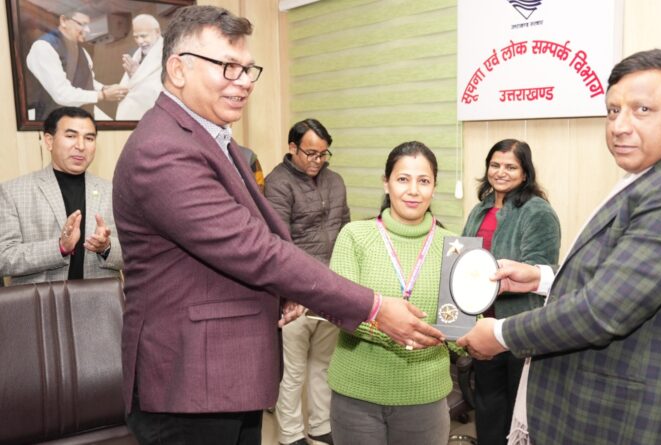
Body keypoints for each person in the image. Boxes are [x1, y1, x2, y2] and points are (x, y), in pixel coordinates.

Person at [112, 6, 443, 445]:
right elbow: (253, 249)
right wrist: (374, 307)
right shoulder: (164, 148)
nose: (244, 81)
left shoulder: (210, 137)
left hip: (220, 375)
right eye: (228, 67)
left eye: (248, 69)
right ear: (177, 69)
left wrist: (285, 290)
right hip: (188, 382)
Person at [457, 48, 661, 445]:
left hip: (642, 420)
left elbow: (603, 310)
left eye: (642, 110)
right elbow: (618, 276)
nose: (620, 126)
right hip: (604, 412)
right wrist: (540, 279)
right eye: (613, 111)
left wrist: (501, 333)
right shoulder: (653, 174)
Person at [327, 141, 456, 445]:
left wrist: (479, 326)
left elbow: (459, 326)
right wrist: (395, 329)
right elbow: (339, 309)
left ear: (434, 187)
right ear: (386, 183)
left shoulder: (454, 246)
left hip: (425, 395)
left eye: (423, 181)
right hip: (357, 395)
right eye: (402, 179)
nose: (413, 190)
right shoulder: (355, 236)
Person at [461, 139, 560, 444]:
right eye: (495, 165)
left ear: (525, 172)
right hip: (482, 324)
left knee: (518, 411)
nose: (500, 172)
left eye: (510, 167)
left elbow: (538, 271)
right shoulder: (480, 209)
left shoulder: (538, 211)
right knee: (488, 404)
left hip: (518, 327)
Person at [265, 118, 345, 445]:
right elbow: (278, 242)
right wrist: (290, 292)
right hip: (295, 293)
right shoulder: (278, 183)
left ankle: (320, 425)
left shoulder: (335, 181)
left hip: (330, 289)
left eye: (323, 154)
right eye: (311, 153)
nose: (317, 161)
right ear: (292, 147)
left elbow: (345, 231)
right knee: (293, 370)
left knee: (323, 363)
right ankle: (291, 434)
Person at [0, 106, 122, 285]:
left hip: (101, 299)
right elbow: (3, 258)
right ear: (49, 141)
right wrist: (59, 247)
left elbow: (134, 253)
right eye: (71, 136)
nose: (81, 146)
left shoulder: (113, 191)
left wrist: (106, 247)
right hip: (40, 300)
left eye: (89, 138)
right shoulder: (13, 191)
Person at [26, 9, 128, 120]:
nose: (87, 30)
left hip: (81, 120)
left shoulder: (83, 52)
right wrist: (102, 95)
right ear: (63, 21)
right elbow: (61, 94)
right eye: (82, 24)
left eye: (89, 26)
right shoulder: (44, 47)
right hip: (52, 122)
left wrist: (104, 88)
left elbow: (87, 81)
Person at [117, 14, 164, 120]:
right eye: (136, 37)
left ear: (157, 32)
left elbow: (161, 96)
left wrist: (136, 75)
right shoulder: (137, 54)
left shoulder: (168, 54)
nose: (139, 41)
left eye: (143, 36)